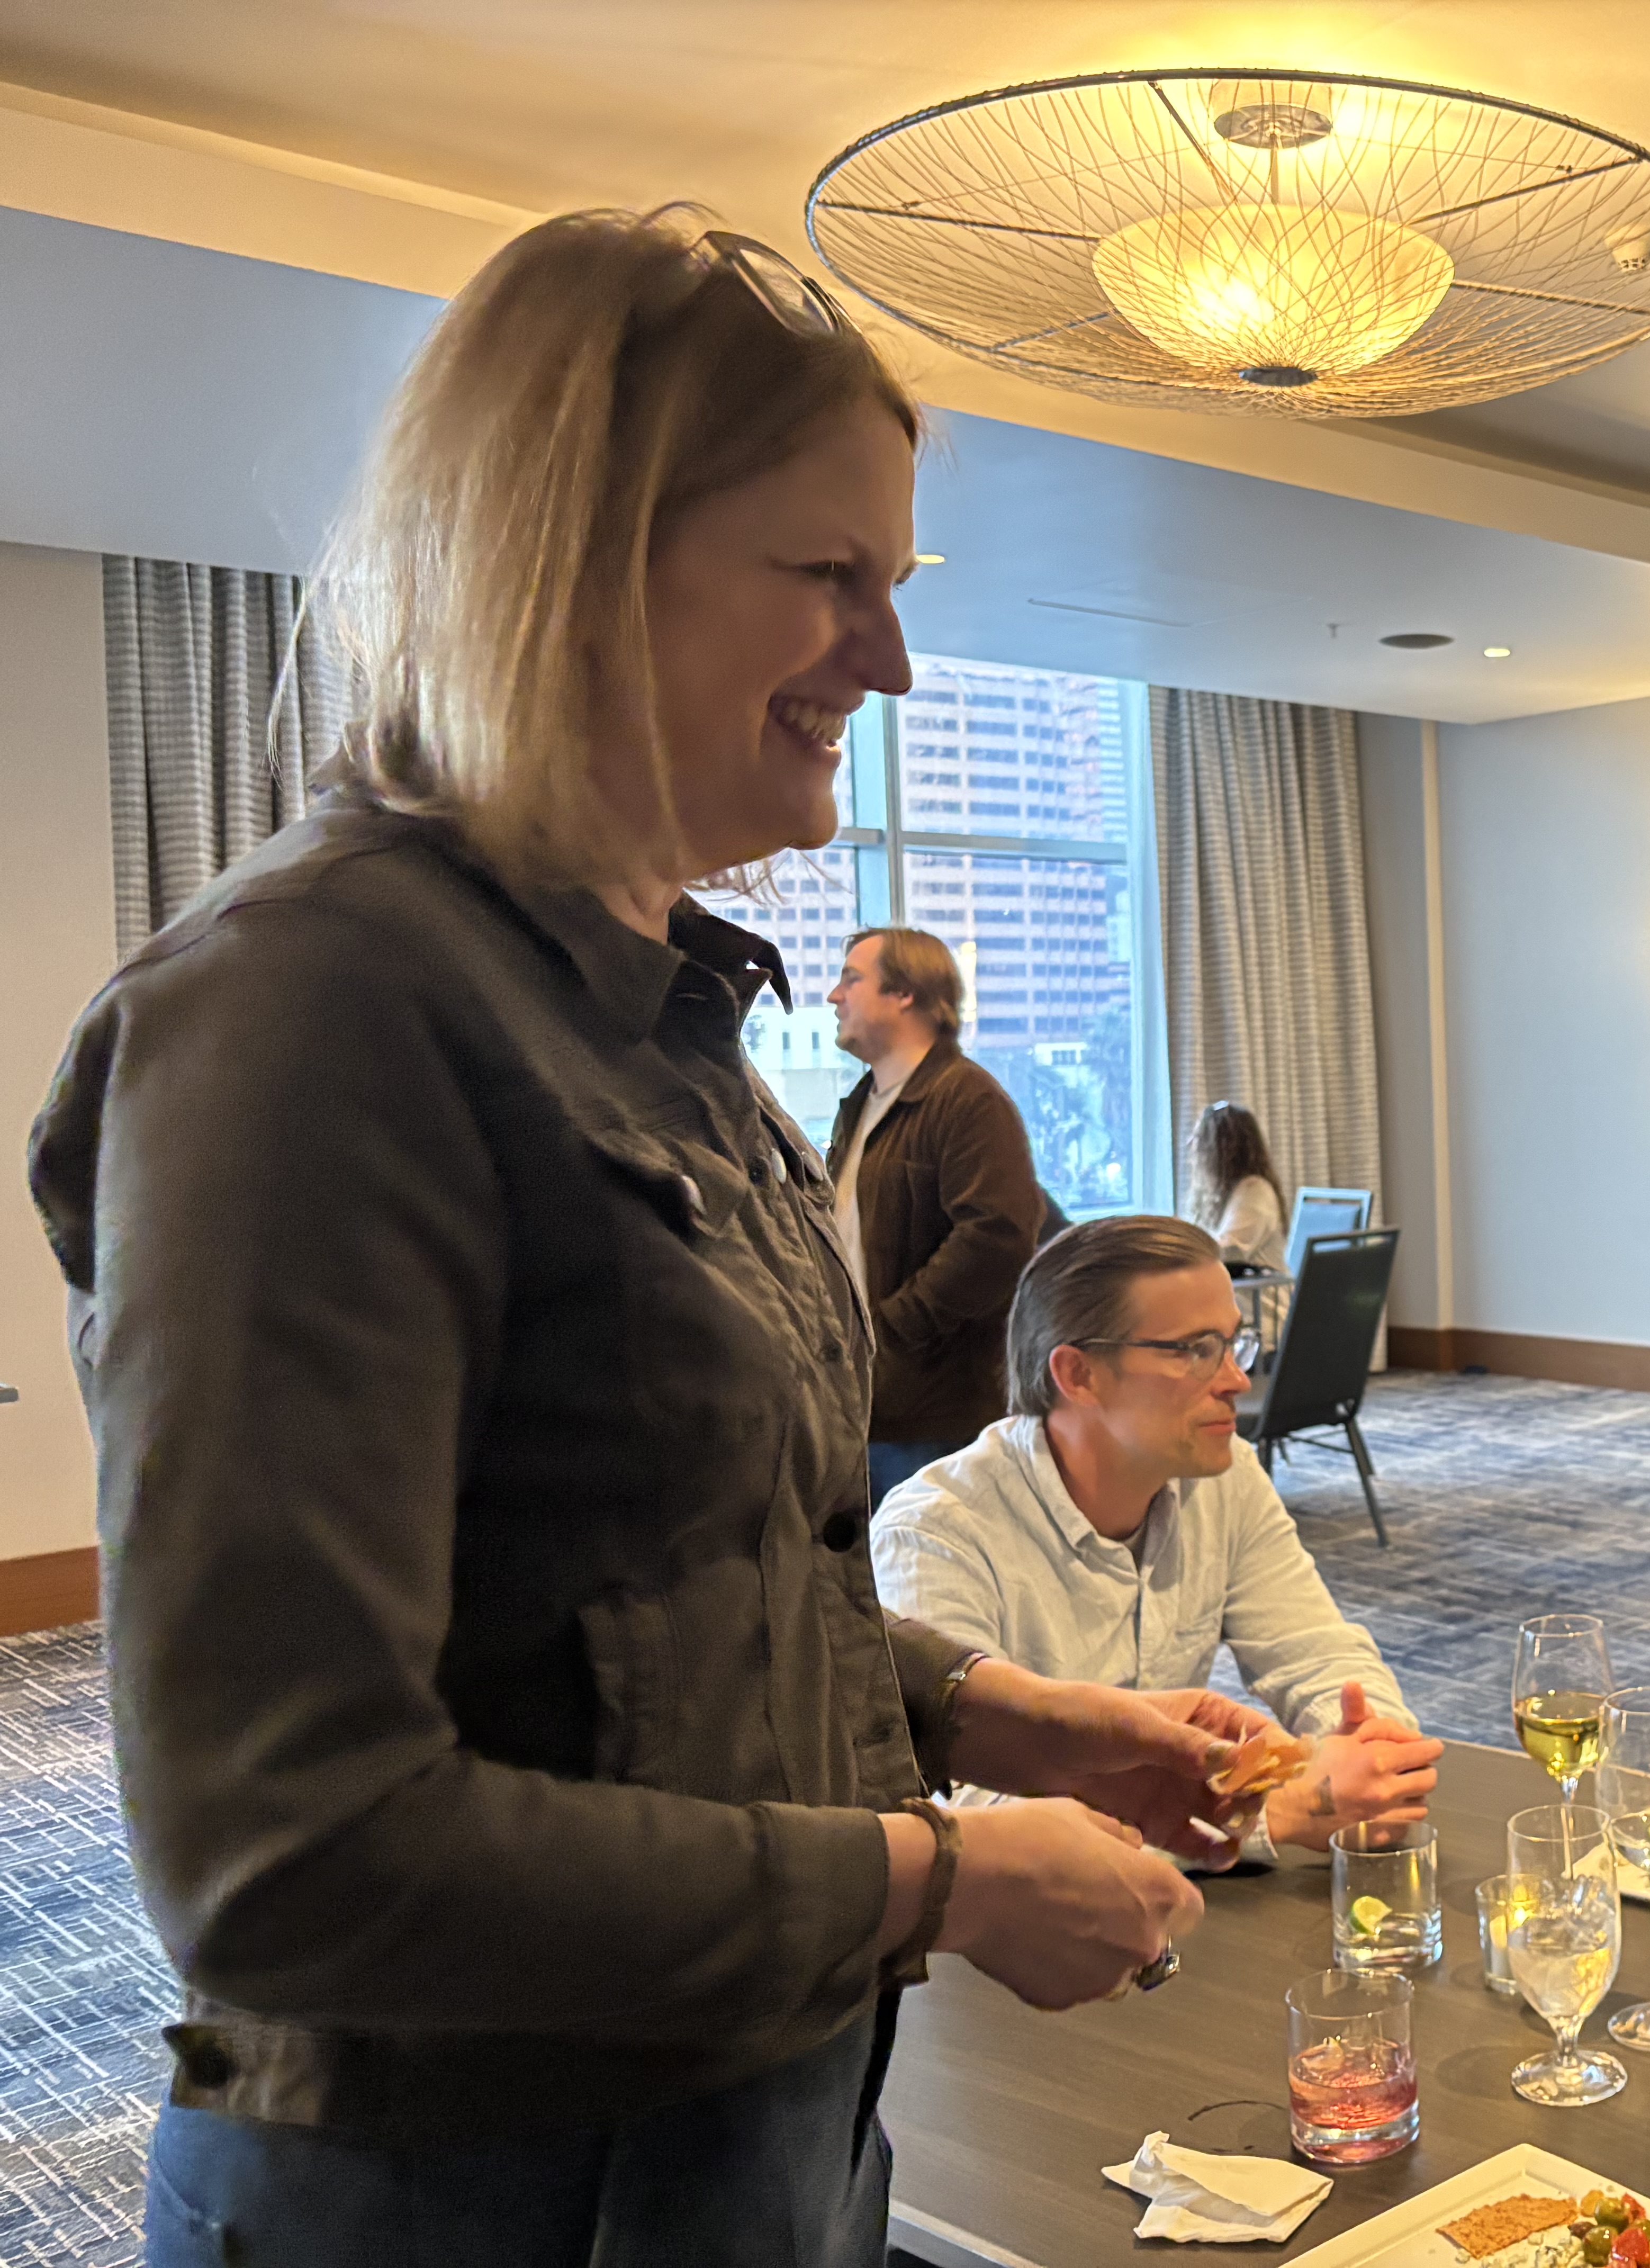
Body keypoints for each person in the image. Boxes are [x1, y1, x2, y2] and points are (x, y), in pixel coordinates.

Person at [26, 209, 1269, 2267]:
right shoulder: (317, 1009)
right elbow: (289, 1852)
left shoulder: (677, 1012)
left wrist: (996, 1717)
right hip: (472, 2190)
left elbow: (677, 1590)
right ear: (582, 556)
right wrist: (937, 1883)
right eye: (831, 578)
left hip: (755, 2127)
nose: (891, 661)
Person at [871, 1215, 1443, 1859]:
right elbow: (968, 1820)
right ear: (1079, 1374)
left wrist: (1373, 1743)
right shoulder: (936, 1535)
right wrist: (1270, 1816)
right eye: (1196, 1350)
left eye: (1234, 1344)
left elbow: (1316, 1651)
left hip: (1176, 1914)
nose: (1236, 1380)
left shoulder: (1222, 1480)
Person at [826, 924, 1048, 1497]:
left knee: (924, 1582)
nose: (834, 996)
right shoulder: (863, 1106)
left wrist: (893, 1328)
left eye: (852, 979)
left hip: (933, 1416)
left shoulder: (967, 1100)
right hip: (873, 1402)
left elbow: (997, 1236)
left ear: (906, 994)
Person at [1185, 1099, 1287, 1268]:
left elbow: (1230, 1251)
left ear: (1225, 1150)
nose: (1192, 1144)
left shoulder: (1256, 1191)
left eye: (1201, 1138)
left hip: (1256, 1293)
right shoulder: (1227, 1193)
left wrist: (1178, 1245)